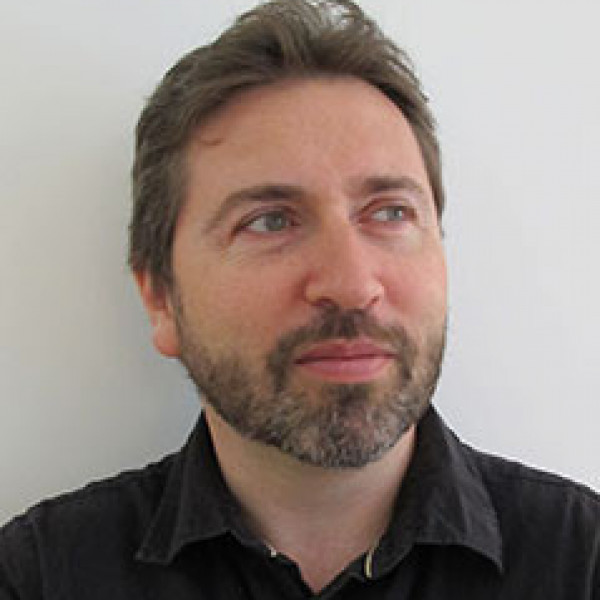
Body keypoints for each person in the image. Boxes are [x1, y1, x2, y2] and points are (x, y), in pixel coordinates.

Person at [1, 0, 598, 597]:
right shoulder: (39, 579)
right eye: (270, 221)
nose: (352, 284)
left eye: (390, 212)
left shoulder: (582, 564)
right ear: (161, 299)